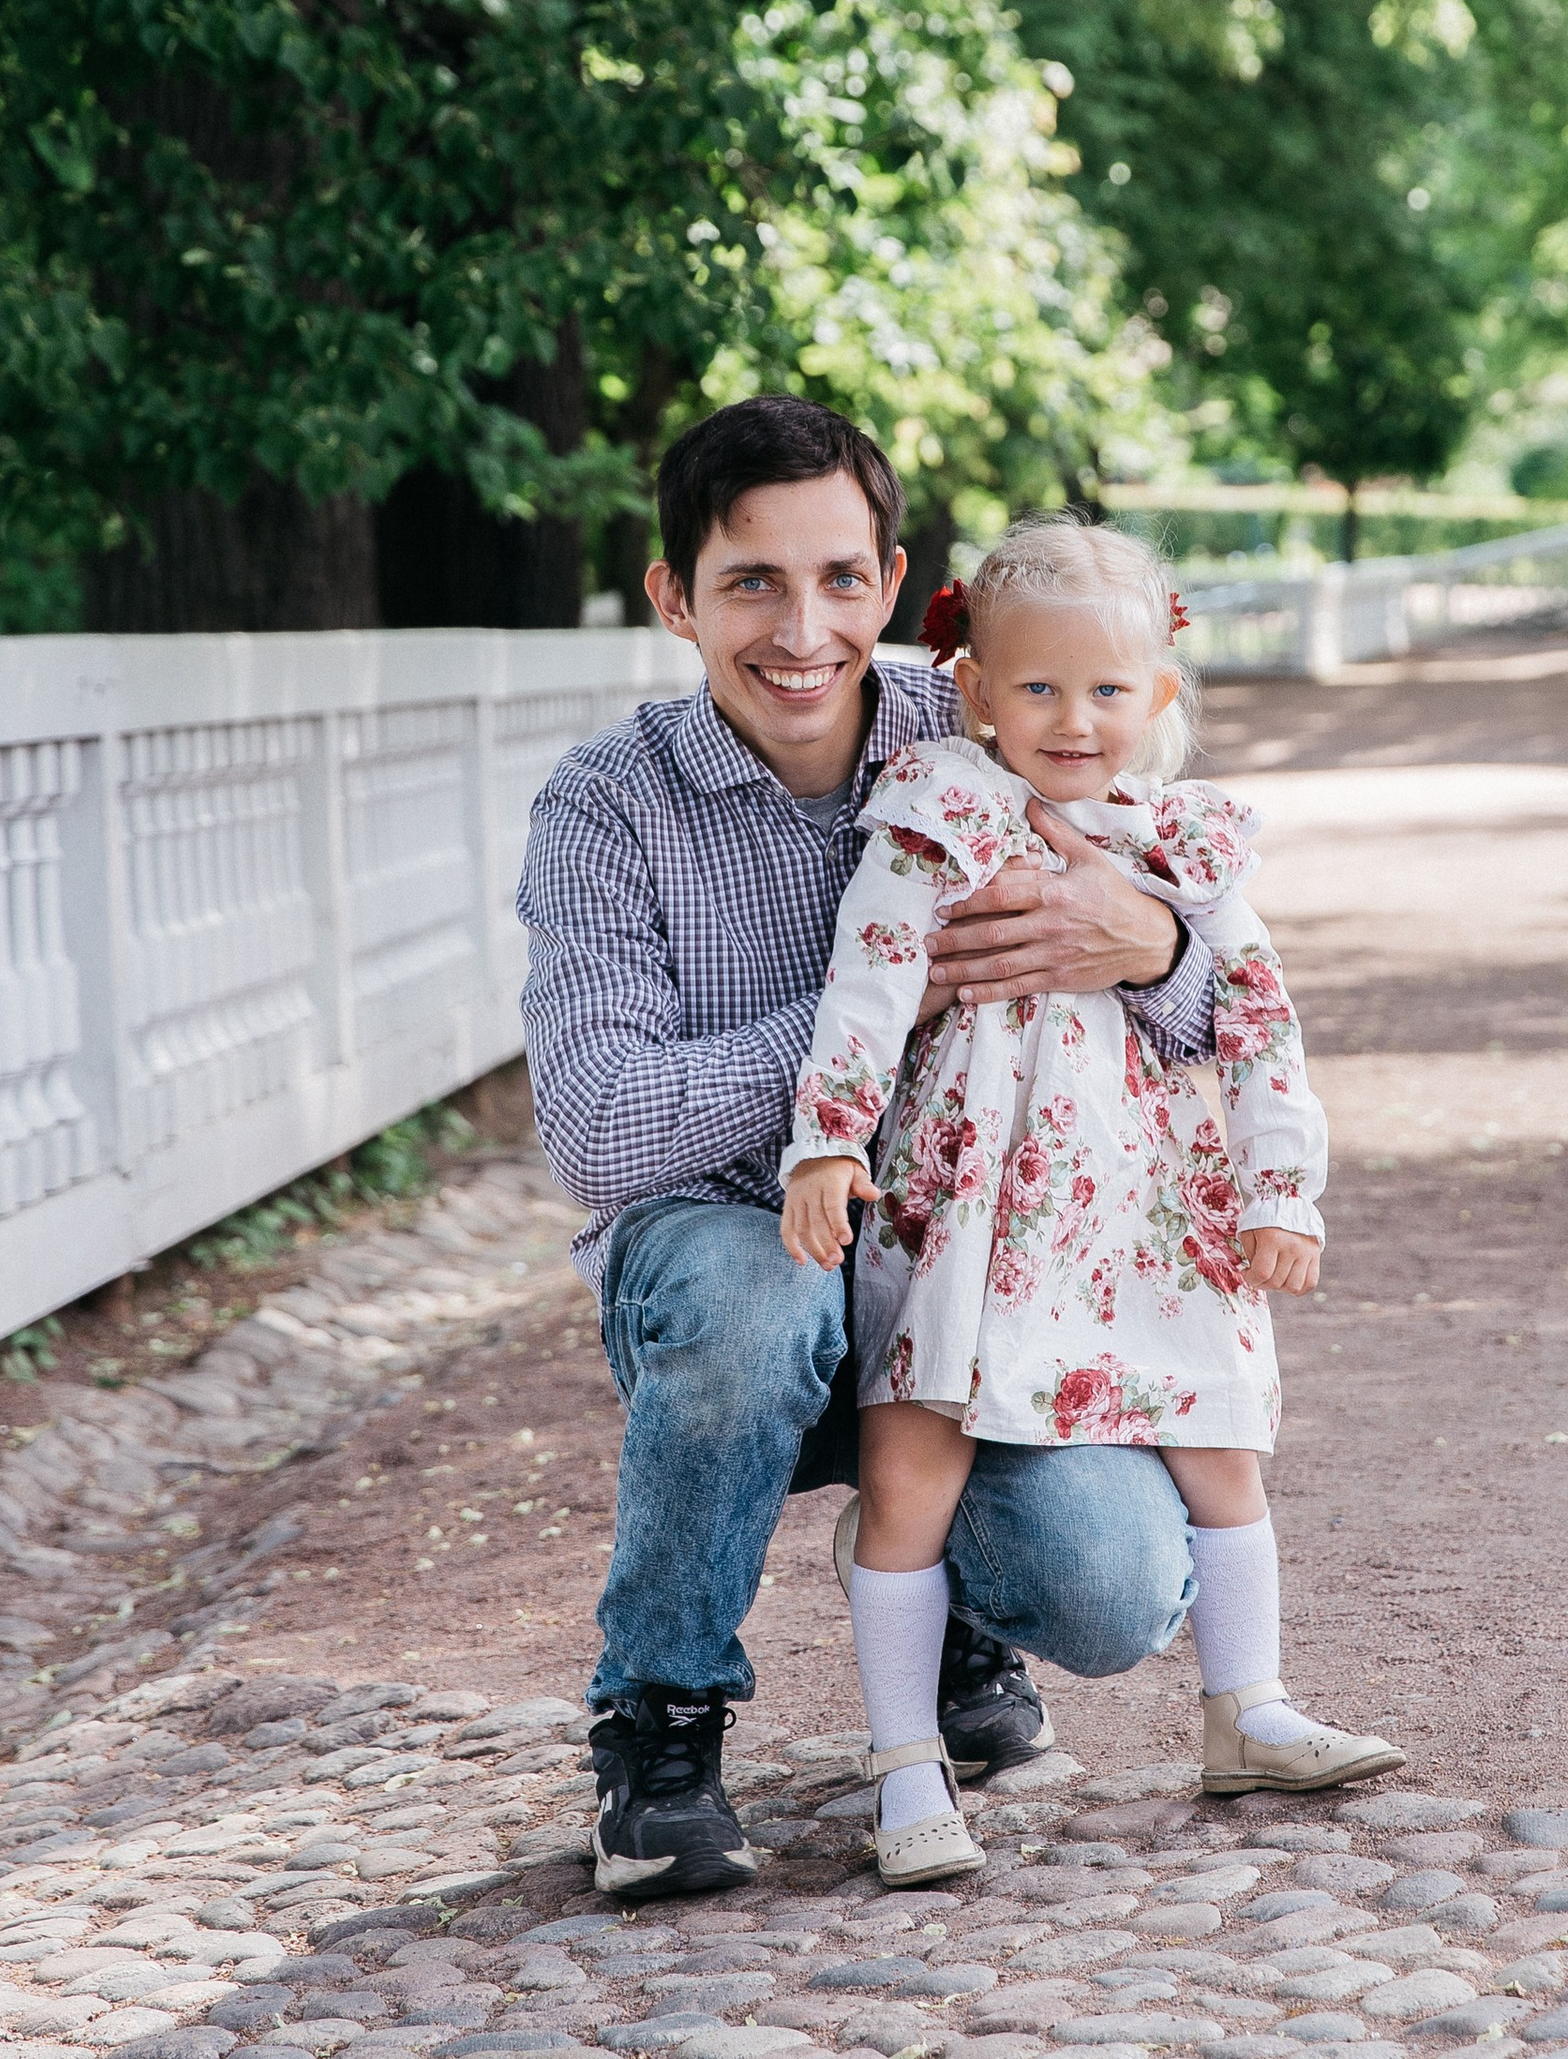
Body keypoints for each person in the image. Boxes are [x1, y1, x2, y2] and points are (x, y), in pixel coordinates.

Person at [517, 396, 1227, 1901]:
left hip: (972, 1267)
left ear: (893, 584)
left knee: (1117, 1593)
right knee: (753, 1298)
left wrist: (1153, 943)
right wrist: (889, 999)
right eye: (750, 583)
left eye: (840, 579)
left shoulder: (984, 722)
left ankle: (955, 1601)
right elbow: (601, 1130)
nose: (802, 628)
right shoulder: (606, 808)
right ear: (673, 598)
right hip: (730, 1250)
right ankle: (660, 1724)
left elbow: (1212, 988)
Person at [780, 513, 1401, 1884]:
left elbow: (1258, 1021)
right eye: (1040, 688)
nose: (1075, 719)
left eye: (1110, 690)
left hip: (1146, 1214)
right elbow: (868, 989)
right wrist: (827, 1141)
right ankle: (903, 1762)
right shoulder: (936, 814)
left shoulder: (1188, 844)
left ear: (1160, 696)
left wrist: (1283, 1189)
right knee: (914, 1461)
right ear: (978, 690)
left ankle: (1248, 1703)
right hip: (973, 1205)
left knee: (1219, 1440)